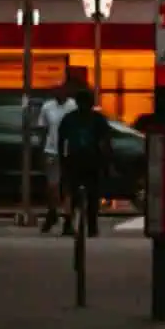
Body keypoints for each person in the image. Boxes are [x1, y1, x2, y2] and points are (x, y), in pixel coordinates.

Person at [56, 82, 110, 238]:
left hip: (74, 160)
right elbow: (105, 142)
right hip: (91, 161)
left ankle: (69, 224)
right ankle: (92, 227)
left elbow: (61, 140)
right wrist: (105, 162)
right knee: (92, 195)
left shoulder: (70, 118)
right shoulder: (98, 119)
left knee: (72, 194)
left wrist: (62, 158)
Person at [36, 76, 75, 233]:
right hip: (52, 150)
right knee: (52, 186)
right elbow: (43, 128)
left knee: (67, 187)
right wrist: (42, 148)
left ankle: (67, 218)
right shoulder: (47, 107)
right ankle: (53, 211)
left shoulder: (73, 106)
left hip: (68, 150)